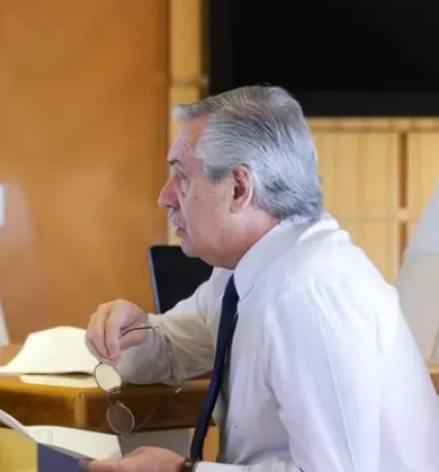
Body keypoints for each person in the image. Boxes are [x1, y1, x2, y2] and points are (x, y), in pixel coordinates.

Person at [84, 86, 439, 472]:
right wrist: (130, 334)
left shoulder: (310, 294)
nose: (165, 197)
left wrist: (182, 471)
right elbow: (170, 349)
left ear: (239, 188)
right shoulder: (244, 271)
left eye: (182, 177)